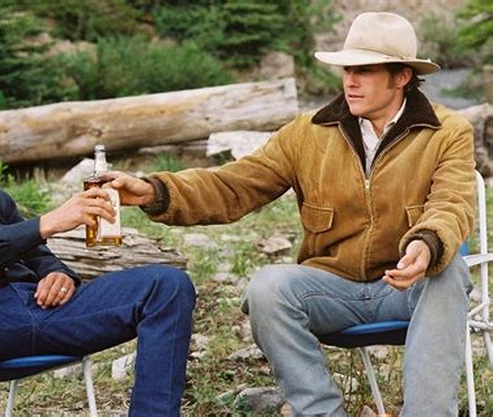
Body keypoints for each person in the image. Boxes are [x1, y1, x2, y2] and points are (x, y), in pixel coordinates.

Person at [107, 11, 476, 417]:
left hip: (406, 288)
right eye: (347, 70)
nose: (350, 81)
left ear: (402, 76)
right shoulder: (307, 133)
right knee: (267, 288)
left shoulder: (448, 131)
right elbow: (234, 185)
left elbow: (452, 202)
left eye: (364, 71)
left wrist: (426, 245)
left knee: (448, 272)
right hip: (333, 289)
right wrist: (155, 191)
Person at [0, 96, 196, 417]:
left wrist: (58, 274)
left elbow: (37, 255)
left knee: (167, 284)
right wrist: (45, 224)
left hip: (49, 313)